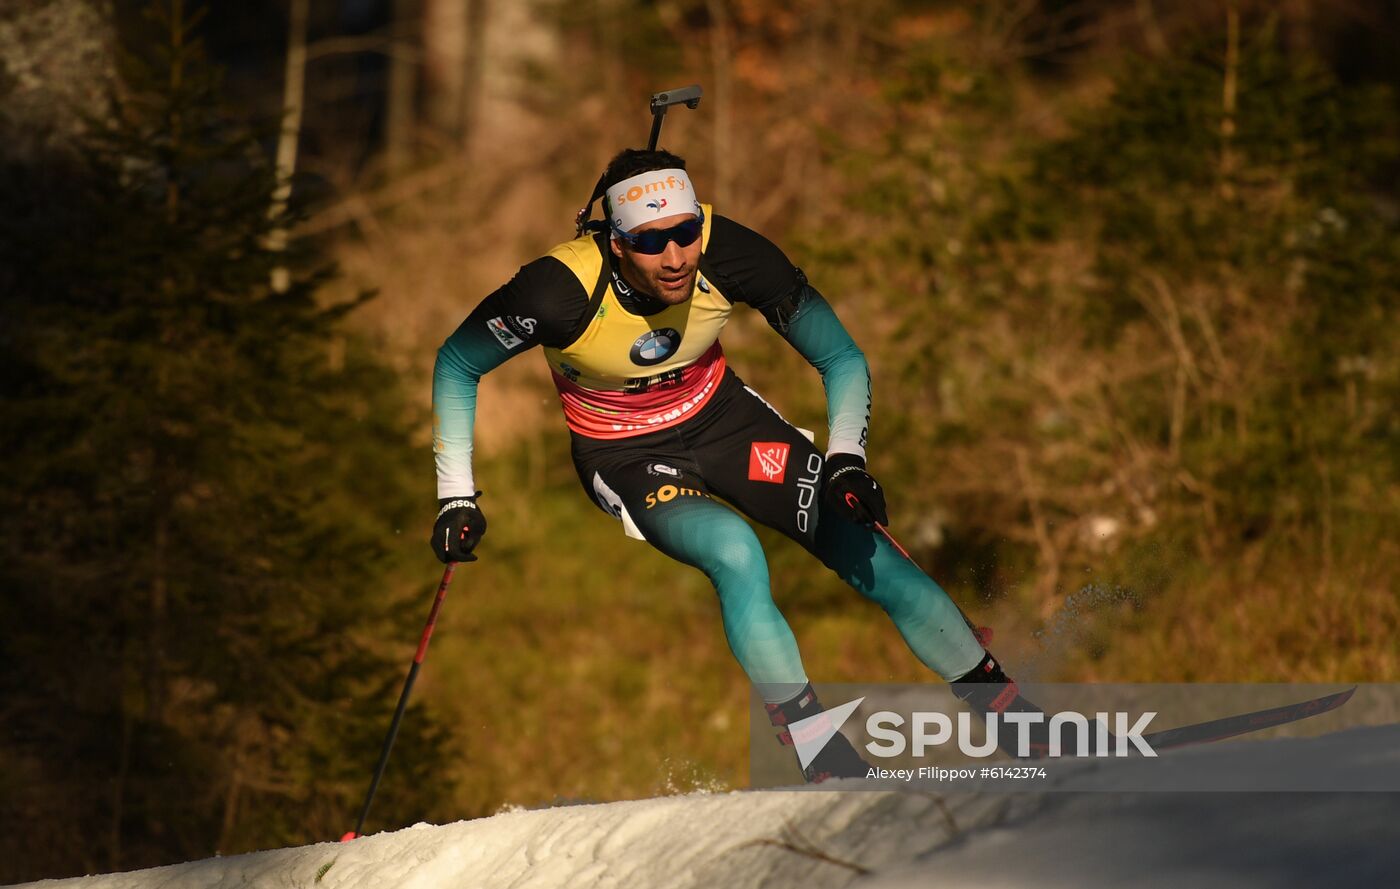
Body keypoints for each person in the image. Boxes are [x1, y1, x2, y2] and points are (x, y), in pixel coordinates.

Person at [430, 149, 1030, 782]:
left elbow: (843, 359)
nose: (675, 258)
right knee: (735, 550)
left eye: (686, 233)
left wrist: (847, 460)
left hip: (724, 421)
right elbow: (457, 364)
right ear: (612, 242)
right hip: (625, 452)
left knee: (860, 540)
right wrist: (457, 497)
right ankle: (820, 753)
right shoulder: (556, 290)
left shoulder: (732, 253)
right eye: (650, 242)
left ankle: (1023, 725)